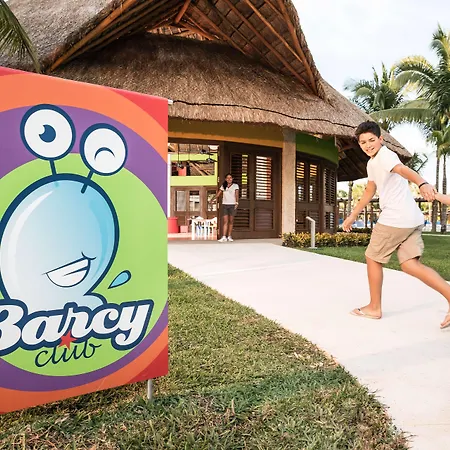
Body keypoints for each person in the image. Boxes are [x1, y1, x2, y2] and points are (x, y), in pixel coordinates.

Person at [343, 121, 450, 329]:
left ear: (380, 139)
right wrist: (353, 215)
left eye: (372, 140)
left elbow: (402, 169)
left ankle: (374, 307)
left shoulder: (385, 155)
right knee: (410, 264)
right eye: (363, 142)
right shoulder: (372, 163)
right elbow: (370, 190)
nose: (368, 145)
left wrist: (422, 183)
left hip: (396, 218)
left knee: (372, 258)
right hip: (412, 219)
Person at [210, 173, 239, 242]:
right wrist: (212, 199)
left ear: (232, 179)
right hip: (225, 205)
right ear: (226, 179)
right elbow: (218, 194)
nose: (229, 179)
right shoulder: (223, 186)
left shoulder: (235, 186)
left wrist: (237, 202)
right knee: (225, 221)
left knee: (231, 221)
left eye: (230, 178)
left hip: (232, 205)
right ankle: (224, 236)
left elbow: (236, 194)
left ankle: (229, 236)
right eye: (227, 178)